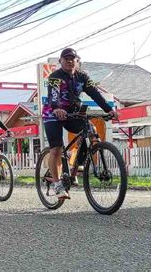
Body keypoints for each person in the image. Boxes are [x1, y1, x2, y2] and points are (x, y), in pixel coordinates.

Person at [42, 48, 117, 199]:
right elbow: (54, 95)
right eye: (66, 59)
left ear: (77, 61)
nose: (70, 61)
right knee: (56, 149)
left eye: (72, 59)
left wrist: (109, 109)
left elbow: (95, 93)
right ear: (60, 61)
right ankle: (57, 184)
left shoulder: (83, 77)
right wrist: (57, 108)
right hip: (53, 114)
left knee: (90, 129)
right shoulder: (55, 77)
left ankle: (76, 167)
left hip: (73, 112)